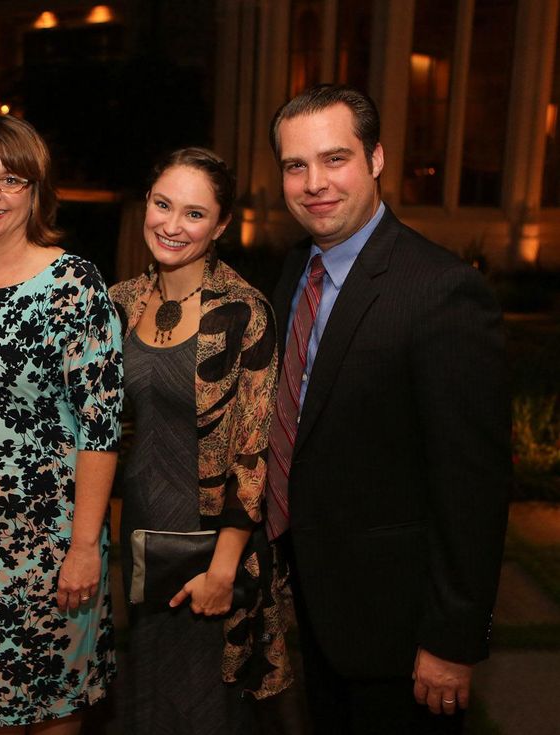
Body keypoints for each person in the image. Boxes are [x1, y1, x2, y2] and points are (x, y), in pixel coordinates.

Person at [265, 84, 511, 734]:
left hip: (401, 635)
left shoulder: (442, 293)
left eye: (335, 158)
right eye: (296, 165)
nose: (315, 182)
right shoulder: (296, 269)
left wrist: (453, 638)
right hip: (319, 607)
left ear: (376, 158)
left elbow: (473, 487)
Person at [0, 114, 123, 734]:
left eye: (11, 179)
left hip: (53, 540)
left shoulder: (74, 285)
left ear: (36, 190)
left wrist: (84, 548)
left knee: (53, 714)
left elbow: (102, 428)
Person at [109, 147, 292, 735]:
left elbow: (254, 448)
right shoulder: (119, 303)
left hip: (212, 544)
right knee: (145, 700)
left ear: (220, 226)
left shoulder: (244, 312)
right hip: (139, 529)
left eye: (194, 213)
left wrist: (224, 567)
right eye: (163, 205)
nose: (171, 224)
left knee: (205, 708)